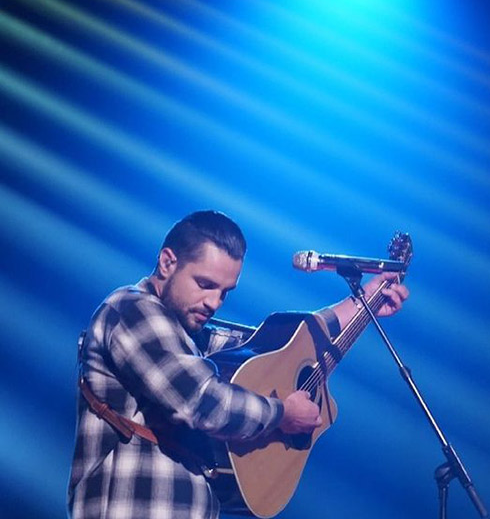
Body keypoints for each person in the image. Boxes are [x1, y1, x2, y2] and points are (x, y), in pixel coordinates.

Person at [68, 210, 409, 519]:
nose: (214, 302)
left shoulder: (190, 334)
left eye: (225, 292)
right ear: (168, 262)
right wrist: (282, 414)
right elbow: (201, 401)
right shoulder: (131, 311)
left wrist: (363, 303)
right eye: (205, 284)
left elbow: (281, 347)